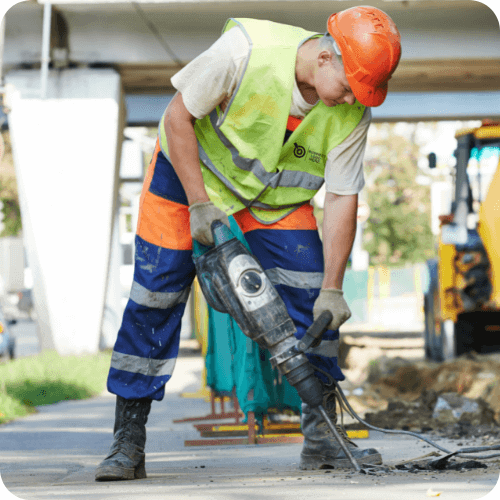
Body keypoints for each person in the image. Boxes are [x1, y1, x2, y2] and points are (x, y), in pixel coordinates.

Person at [95, 6, 401, 481]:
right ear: (325, 58)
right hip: (186, 183)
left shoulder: (352, 108)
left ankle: (323, 438)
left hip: (272, 200)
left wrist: (334, 288)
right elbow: (177, 117)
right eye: (349, 87)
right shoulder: (246, 51)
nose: (351, 100)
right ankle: (127, 441)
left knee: (312, 298)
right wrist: (198, 204)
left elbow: (342, 197)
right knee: (154, 301)